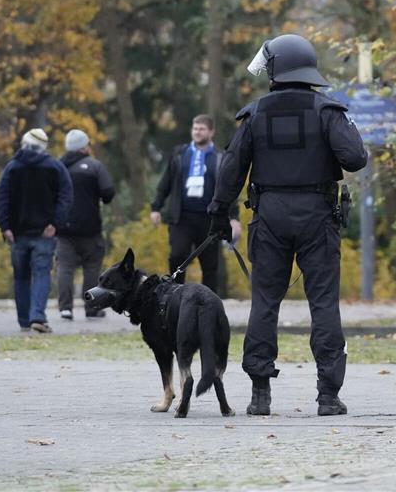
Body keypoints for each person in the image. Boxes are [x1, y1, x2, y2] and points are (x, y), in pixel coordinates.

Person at [207, 34, 367, 417]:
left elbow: (231, 169)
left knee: (265, 302)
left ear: (277, 69)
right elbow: (355, 158)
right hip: (317, 215)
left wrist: (218, 211)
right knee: (323, 303)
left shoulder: (254, 115)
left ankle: (260, 394)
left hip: (270, 216)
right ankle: (328, 396)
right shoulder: (327, 111)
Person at [149, 115, 240, 296]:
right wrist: (156, 208)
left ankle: (209, 302)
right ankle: (174, 297)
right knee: (177, 256)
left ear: (211, 132)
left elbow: (228, 189)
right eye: (195, 128)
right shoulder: (179, 154)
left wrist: (234, 218)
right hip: (181, 217)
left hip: (209, 219)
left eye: (201, 129)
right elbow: (165, 183)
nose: (197, 132)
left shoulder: (220, 158)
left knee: (210, 264)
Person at [0, 128, 73, 333]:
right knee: (41, 274)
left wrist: (5, 227)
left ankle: (23, 320)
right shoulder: (55, 167)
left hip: (17, 233)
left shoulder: (12, 168)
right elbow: (66, 197)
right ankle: (37, 316)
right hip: (44, 232)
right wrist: (55, 223)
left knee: (21, 277)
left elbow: (1, 198)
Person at [56, 129, 115, 320]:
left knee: (65, 268)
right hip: (90, 227)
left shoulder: (58, 167)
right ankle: (92, 307)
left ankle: (65, 308)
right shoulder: (95, 166)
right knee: (91, 267)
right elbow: (108, 192)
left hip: (63, 228)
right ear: (84, 147)